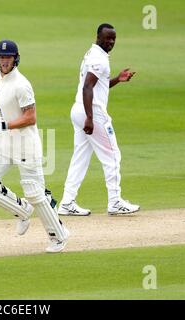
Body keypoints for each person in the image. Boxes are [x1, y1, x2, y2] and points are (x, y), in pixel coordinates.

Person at [0, 40, 69, 253]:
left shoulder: (22, 85)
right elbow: (7, 114)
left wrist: (0, 125)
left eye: (8, 57)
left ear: (16, 58)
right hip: (4, 144)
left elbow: (30, 118)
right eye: (1, 57)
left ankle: (59, 236)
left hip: (26, 145)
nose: (4, 61)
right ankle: (22, 210)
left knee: (35, 192)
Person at [58, 23, 140, 216]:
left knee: (80, 158)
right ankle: (115, 202)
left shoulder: (93, 54)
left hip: (79, 109)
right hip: (92, 111)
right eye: (107, 38)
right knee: (112, 156)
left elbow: (97, 86)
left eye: (113, 39)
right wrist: (90, 117)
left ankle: (67, 202)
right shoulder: (99, 59)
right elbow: (88, 87)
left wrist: (117, 80)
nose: (111, 42)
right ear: (98, 37)